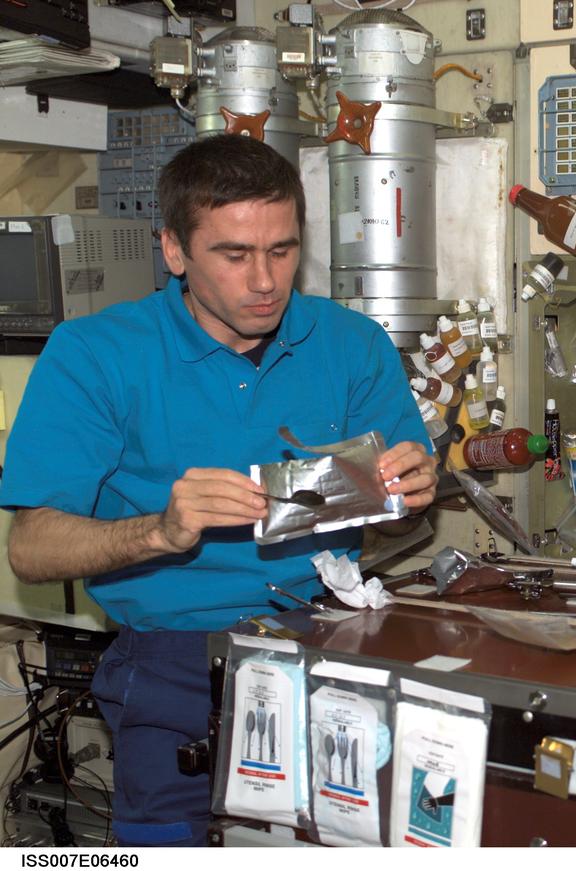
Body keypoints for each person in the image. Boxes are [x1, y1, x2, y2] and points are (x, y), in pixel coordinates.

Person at [0, 135, 438, 846]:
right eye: (234, 255)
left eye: (283, 250)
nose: (265, 280)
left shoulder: (352, 343)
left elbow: (394, 525)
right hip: (174, 662)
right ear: (174, 250)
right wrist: (159, 531)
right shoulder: (94, 355)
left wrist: (408, 492)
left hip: (336, 640)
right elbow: (31, 546)